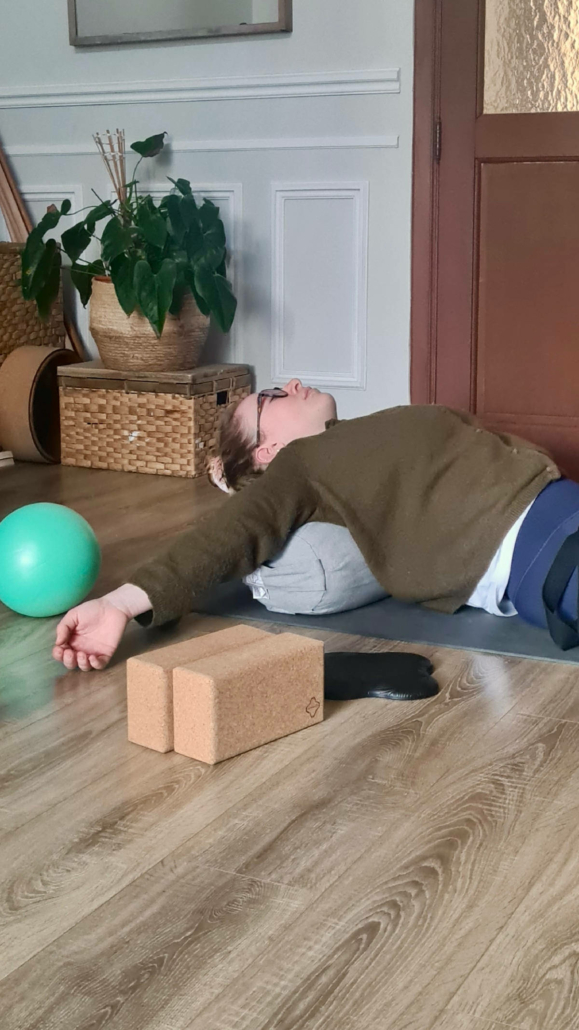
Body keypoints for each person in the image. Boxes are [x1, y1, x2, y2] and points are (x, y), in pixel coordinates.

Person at [52, 379, 579, 671]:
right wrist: (120, 603)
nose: (293, 384)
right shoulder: (298, 466)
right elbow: (226, 536)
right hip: (528, 543)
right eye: (271, 397)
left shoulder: (355, 437)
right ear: (266, 450)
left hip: (557, 504)